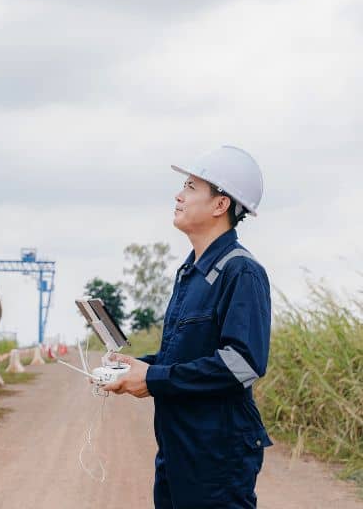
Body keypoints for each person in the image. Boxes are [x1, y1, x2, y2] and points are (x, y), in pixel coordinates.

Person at [104, 145, 272, 508]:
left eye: (191, 187)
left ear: (219, 204)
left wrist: (153, 379)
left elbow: (242, 364)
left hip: (218, 455)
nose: (178, 195)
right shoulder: (190, 273)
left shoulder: (241, 271)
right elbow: (181, 356)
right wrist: (134, 368)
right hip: (178, 447)